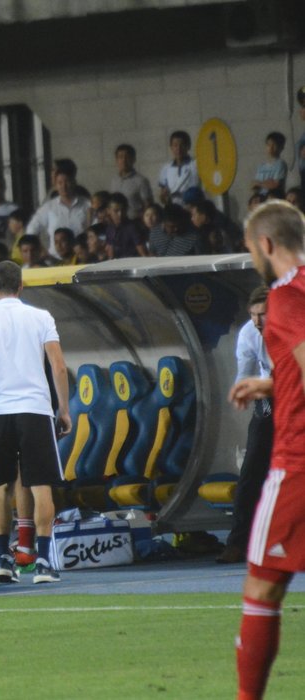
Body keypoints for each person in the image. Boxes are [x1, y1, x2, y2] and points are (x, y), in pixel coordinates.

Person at [228, 200, 305, 699]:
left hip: (298, 462)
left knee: (262, 587)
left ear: (267, 244)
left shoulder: (286, 297)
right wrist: (273, 385)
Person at [0, 261, 71, 585]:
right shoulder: (41, 317)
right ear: (21, 286)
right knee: (41, 485)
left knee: (1, 487)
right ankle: (41, 561)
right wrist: (63, 409)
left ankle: (2, 560)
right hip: (35, 409)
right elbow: (58, 365)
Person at [217, 287, 272, 565]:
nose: (258, 322)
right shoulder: (249, 334)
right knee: (250, 475)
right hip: (269, 407)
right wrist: (244, 391)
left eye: (263, 315)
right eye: (253, 315)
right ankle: (238, 544)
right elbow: (244, 377)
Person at [26, 166, 90, 257]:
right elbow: (31, 229)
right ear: (55, 186)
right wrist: (40, 250)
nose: (64, 186)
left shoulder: (86, 205)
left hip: (80, 258)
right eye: (60, 183)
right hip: (55, 259)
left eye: (67, 181)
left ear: (74, 182)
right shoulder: (48, 207)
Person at [109, 144, 153, 221]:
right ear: (116, 160)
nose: (124, 160)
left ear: (133, 159)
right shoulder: (114, 180)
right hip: (117, 224)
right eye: (120, 157)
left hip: (135, 222)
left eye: (127, 157)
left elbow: (148, 205)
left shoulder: (141, 180)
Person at [157, 130, 200, 206]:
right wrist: (163, 197)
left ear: (188, 146)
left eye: (182, 145)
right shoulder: (166, 169)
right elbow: (163, 196)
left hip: (194, 209)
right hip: (174, 210)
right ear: (171, 147)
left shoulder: (197, 165)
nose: (179, 148)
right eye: (175, 145)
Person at [105, 193, 148, 258]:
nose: (120, 214)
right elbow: (110, 254)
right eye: (116, 211)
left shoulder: (132, 227)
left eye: (123, 210)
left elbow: (143, 254)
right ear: (108, 211)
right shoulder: (109, 229)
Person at [251, 132, 288, 197]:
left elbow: (275, 185)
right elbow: (254, 186)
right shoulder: (261, 166)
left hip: (274, 198)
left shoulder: (280, 164)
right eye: (268, 144)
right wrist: (264, 184)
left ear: (281, 147)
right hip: (261, 198)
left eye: (274, 145)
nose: (271, 148)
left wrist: (260, 184)